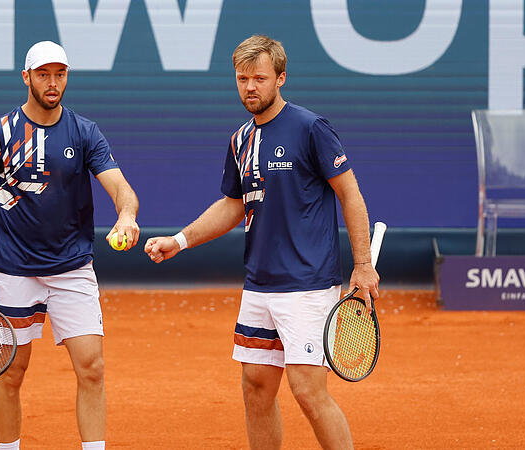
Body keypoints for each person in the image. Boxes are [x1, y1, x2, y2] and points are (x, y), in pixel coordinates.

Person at [144, 35, 379, 450]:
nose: (250, 87)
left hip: (306, 286)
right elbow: (233, 206)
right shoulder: (239, 140)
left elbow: (350, 194)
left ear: (280, 78)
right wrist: (179, 240)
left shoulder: (311, 128)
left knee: (308, 391)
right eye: (242, 79)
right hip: (259, 285)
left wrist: (362, 265)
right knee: (255, 388)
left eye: (259, 78)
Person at [0, 40, 139, 450]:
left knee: (92, 369)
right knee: (10, 374)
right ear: (26, 77)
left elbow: (121, 188)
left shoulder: (85, 132)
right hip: (14, 273)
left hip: (72, 270)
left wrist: (126, 214)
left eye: (60, 74)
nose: (52, 83)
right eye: (43, 74)